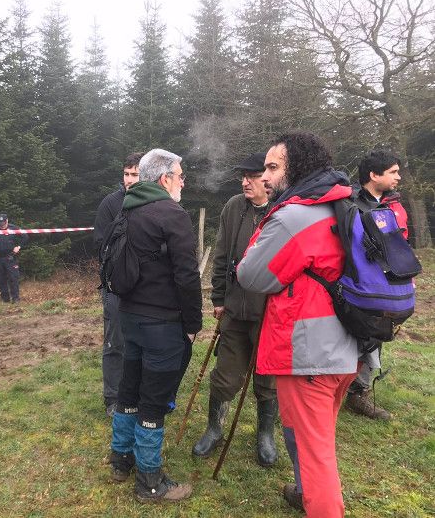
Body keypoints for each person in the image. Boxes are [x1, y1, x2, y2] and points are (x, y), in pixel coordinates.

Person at [236, 132, 370, 517]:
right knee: (318, 441)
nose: (264, 176)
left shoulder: (296, 215)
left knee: (316, 458)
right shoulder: (346, 204)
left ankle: (318, 501)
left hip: (310, 353)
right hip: (346, 347)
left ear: (297, 169)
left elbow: (252, 275)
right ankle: (303, 492)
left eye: (273, 167)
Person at [109, 148, 202, 503]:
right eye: (180, 176)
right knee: (154, 401)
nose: (183, 182)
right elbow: (186, 275)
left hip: (128, 316)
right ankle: (150, 480)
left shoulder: (127, 207)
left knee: (129, 389)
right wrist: (193, 322)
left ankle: (121, 460)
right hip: (162, 323)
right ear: (165, 180)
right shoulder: (172, 213)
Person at [192, 152, 277, 466]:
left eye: (252, 176)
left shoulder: (283, 211)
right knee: (225, 375)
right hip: (233, 311)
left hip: (269, 313)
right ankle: (214, 429)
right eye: (243, 176)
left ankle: (265, 434)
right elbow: (223, 254)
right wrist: (217, 299)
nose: (245, 182)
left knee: (267, 379)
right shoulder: (232, 208)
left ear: (267, 180)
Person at [344, 150, 408, 421]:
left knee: (376, 338)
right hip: (358, 288)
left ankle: (359, 394)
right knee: (351, 338)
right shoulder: (350, 206)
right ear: (374, 175)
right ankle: (337, 387)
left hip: (388, 289)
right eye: (393, 171)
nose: (398, 177)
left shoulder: (394, 207)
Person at [93, 152, 143, 417]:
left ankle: (140, 393)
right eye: (126, 174)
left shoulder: (152, 203)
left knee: (143, 342)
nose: (129, 180)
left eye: (135, 174)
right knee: (115, 342)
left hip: (145, 287)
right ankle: (112, 398)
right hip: (114, 285)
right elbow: (100, 244)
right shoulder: (110, 204)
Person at [0, 213, 28, 303]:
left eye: (3, 222)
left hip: (11, 257)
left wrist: (19, 247)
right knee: (1, 279)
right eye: (0, 223)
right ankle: (5, 298)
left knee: (13, 278)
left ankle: (15, 298)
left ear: (7, 220)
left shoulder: (14, 228)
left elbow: (25, 237)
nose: (2, 224)